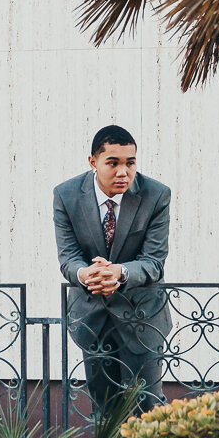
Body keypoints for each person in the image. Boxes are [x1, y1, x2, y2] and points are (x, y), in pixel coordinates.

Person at [53, 124, 170, 418]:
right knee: (106, 411)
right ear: (93, 162)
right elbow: (68, 257)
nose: (123, 172)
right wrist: (86, 275)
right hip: (93, 315)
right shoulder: (66, 195)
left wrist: (117, 272)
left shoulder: (156, 195)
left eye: (130, 163)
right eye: (113, 163)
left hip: (142, 316)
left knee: (148, 408)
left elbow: (154, 262)